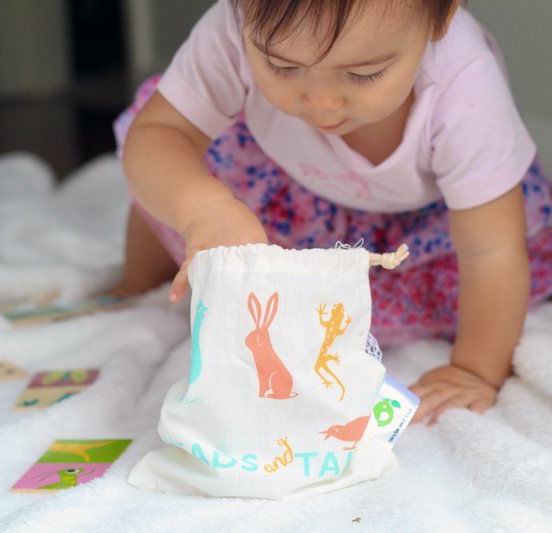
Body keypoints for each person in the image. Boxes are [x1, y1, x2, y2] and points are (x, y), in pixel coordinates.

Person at [111, 0, 552, 424]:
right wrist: (204, 210)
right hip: (284, 184)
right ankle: (136, 285)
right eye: (282, 66)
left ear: (443, 18)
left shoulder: (466, 84)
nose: (321, 102)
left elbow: (490, 249)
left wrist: (474, 371)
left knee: (491, 273)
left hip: (422, 225)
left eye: (364, 73)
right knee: (173, 168)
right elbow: (159, 134)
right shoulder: (233, 25)